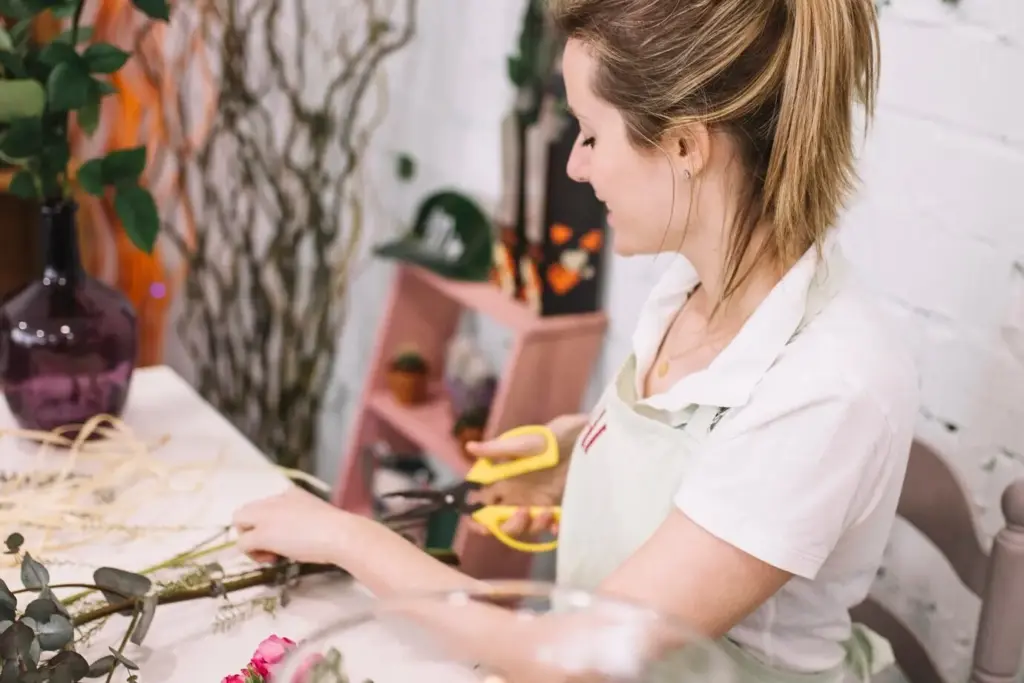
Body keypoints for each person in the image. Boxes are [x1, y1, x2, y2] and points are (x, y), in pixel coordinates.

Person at [232, 0, 918, 680]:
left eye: (590, 135)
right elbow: (702, 452)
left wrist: (346, 534)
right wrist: (586, 458)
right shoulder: (695, 287)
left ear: (685, 146)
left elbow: (576, 661)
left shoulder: (829, 387)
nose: (576, 168)